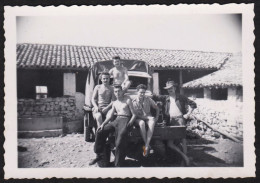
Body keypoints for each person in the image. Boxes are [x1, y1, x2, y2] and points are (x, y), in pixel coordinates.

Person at [89, 85, 136, 167]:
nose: (117, 93)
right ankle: (99, 155)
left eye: (119, 91)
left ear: (122, 91)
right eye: (115, 91)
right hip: (117, 120)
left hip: (125, 119)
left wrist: (130, 124)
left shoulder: (127, 100)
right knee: (100, 131)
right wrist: (103, 124)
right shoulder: (115, 102)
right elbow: (110, 116)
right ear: (114, 93)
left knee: (119, 142)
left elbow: (134, 114)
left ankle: (118, 164)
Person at [163, 80, 197, 166]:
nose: (169, 90)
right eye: (168, 89)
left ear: (174, 88)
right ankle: (184, 157)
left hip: (180, 119)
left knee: (183, 140)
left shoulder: (181, 97)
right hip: (171, 121)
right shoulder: (166, 98)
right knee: (170, 143)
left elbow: (193, 104)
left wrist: (188, 114)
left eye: (171, 88)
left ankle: (185, 161)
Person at [132, 84, 159, 157]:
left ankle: (146, 146)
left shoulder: (148, 99)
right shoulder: (133, 101)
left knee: (152, 122)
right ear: (137, 92)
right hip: (138, 119)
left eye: (144, 92)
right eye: (141, 92)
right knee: (142, 123)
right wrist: (147, 118)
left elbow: (157, 108)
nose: (142, 94)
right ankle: (147, 145)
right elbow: (134, 115)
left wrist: (156, 117)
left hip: (148, 117)